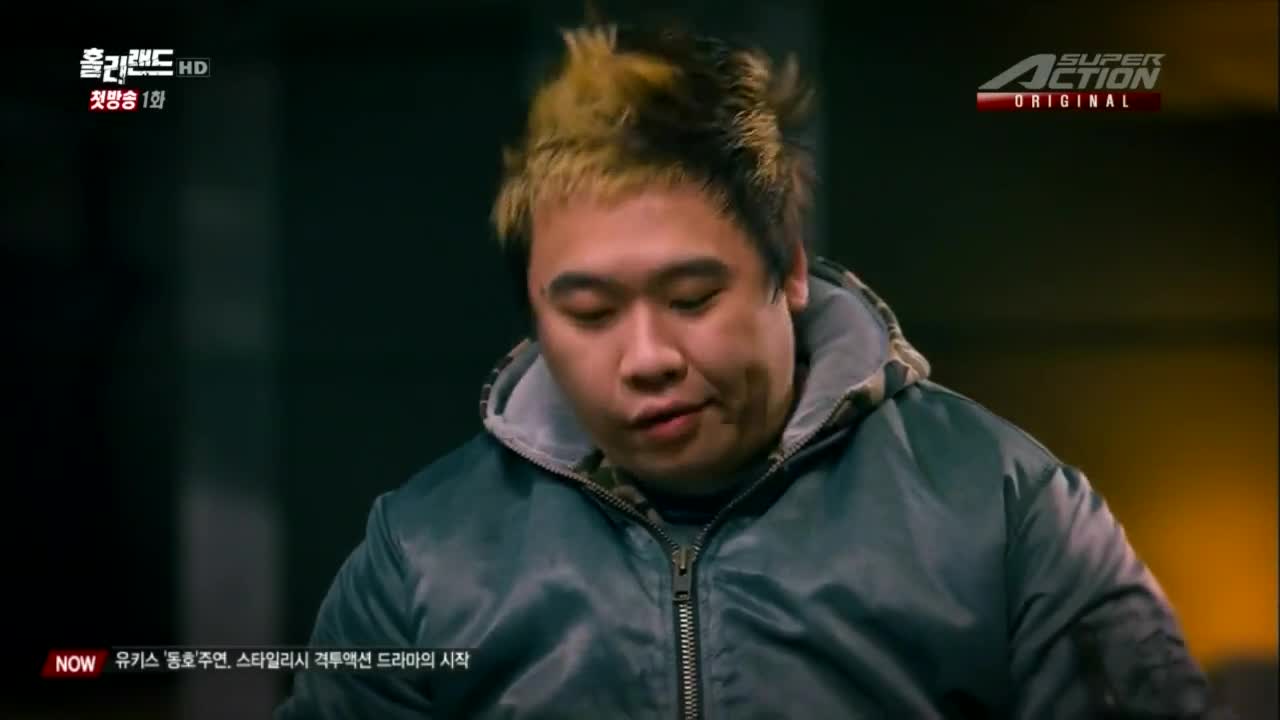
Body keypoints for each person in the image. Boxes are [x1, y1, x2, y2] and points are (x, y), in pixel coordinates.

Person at [276, 23, 1218, 719]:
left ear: (790, 271)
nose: (647, 359)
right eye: (590, 313)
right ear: (534, 313)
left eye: (692, 298)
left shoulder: (1008, 512)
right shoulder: (421, 556)